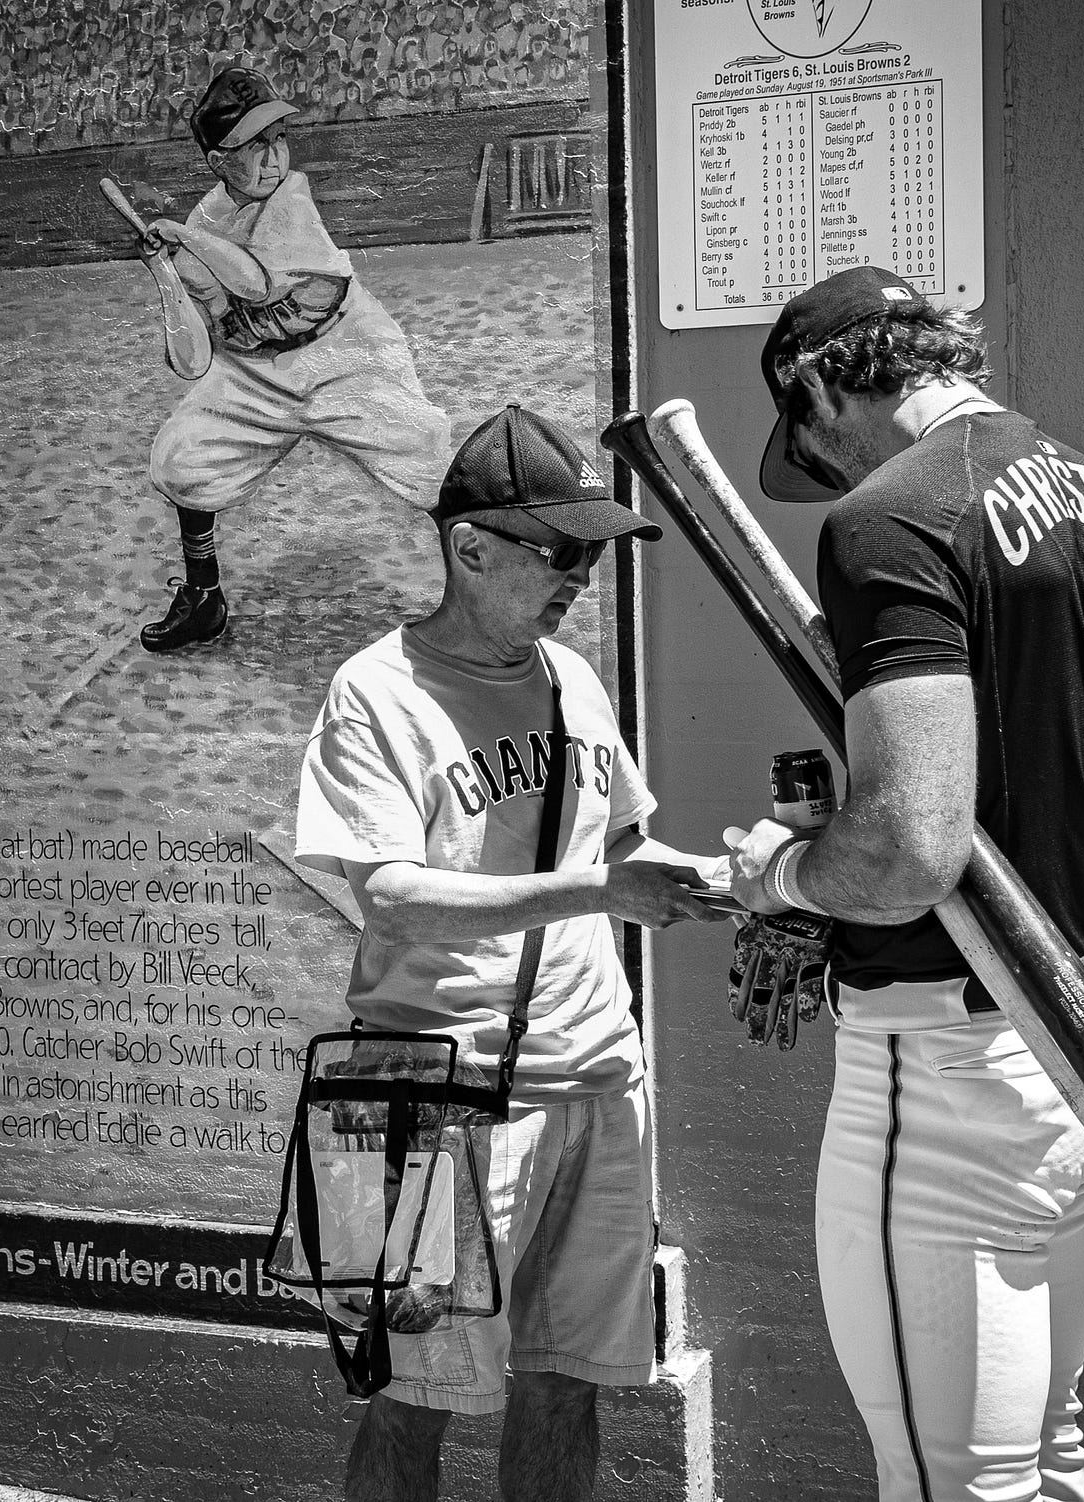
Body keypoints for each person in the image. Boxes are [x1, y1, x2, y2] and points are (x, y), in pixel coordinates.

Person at [727, 266, 1084, 1502]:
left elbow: (907, 849)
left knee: (954, 1484)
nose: (826, 473)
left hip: (945, 1075)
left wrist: (780, 875)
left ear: (822, 386)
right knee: (1047, 1454)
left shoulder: (888, 517)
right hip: (1080, 1041)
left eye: (811, 444)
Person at [295, 403, 728, 1502]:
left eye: (593, 553)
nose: (580, 576)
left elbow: (616, 844)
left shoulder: (572, 677)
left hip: (599, 1081)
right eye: (559, 550)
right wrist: (599, 890)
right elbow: (389, 899)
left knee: (567, 1386)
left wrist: (745, 883)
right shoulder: (377, 691)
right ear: (470, 548)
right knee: (412, 1400)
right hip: (432, 1098)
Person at [136, 66, 452, 652]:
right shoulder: (206, 220)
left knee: (431, 463)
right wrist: (164, 271)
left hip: (344, 355)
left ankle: (477, 596)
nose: (273, 156)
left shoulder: (290, 197)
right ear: (218, 161)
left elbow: (256, 285)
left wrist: (186, 239)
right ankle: (204, 598)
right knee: (181, 459)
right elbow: (191, 359)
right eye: (253, 145)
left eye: (277, 137)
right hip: (254, 371)